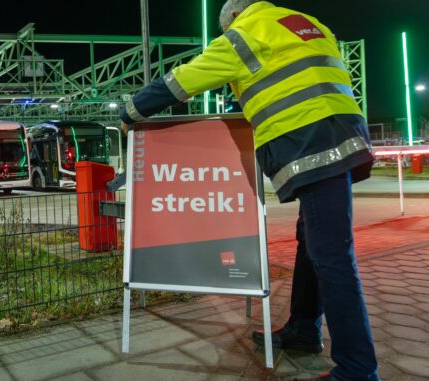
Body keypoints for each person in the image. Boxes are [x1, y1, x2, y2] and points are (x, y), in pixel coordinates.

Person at [119, 1, 378, 380]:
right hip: (347, 137)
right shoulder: (306, 23)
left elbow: (178, 82)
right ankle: (304, 329)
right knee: (313, 242)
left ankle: (358, 369)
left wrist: (129, 113)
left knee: (334, 258)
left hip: (310, 145)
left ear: (231, 21)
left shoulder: (241, 38)